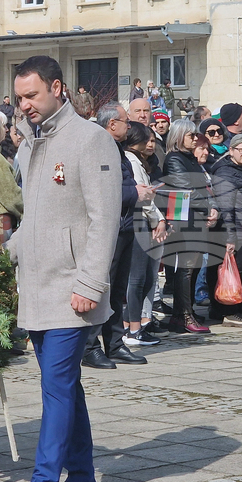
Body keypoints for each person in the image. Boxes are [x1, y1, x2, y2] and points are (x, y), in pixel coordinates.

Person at [0, 56, 120, 482]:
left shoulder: (91, 140)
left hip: (73, 289)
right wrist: (0, 254)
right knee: (65, 387)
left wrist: (90, 282)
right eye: (20, 97)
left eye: (32, 95)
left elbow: (103, 219)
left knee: (57, 387)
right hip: (37, 287)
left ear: (57, 87)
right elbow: (35, 222)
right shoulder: (28, 147)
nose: (24, 105)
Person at [83, 103, 150, 368]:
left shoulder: (116, 148)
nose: (129, 126)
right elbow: (101, 190)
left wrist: (135, 190)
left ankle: (114, 343)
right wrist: (136, 193)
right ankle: (90, 347)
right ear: (112, 124)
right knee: (101, 288)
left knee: (117, 290)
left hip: (123, 225)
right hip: (107, 228)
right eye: (126, 121)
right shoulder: (99, 146)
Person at [161, 120, 218, 334]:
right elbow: (187, 191)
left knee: (191, 269)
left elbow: (203, 186)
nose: (196, 138)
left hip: (195, 219)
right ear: (179, 136)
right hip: (183, 222)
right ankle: (182, 316)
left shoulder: (190, 159)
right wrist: (208, 206)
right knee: (183, 270)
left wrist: (212, 208)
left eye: (196, 135)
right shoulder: (174, 159)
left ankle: (187, 311)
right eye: (191, 135)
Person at [122, 122, 167, 346]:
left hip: (142, 219)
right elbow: (144, 196)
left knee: (143, 277)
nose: (150, 143)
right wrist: (158, 218)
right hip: (139, 220)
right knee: (137, 278)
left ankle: (135, 325)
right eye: (146, 139)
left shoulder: (140, 161)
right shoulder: (131, 160)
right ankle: (133, 328)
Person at [207, 134, 242, 326]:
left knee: (236, 270)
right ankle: (228, 310)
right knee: (233, 270)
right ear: (231, 150)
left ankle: (228, 309)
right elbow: (226, 208)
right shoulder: (225, 172)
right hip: (229, 229)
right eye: (241, 149)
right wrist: (230, 238)